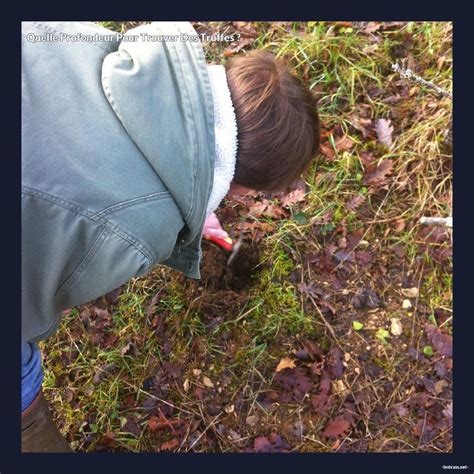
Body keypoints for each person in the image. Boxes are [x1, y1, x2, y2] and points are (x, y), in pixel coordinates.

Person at [21, 21, 320, 452]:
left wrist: (184, 203)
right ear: (244, 183)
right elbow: (28, 304)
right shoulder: (134, 236)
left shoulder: (92, 42)